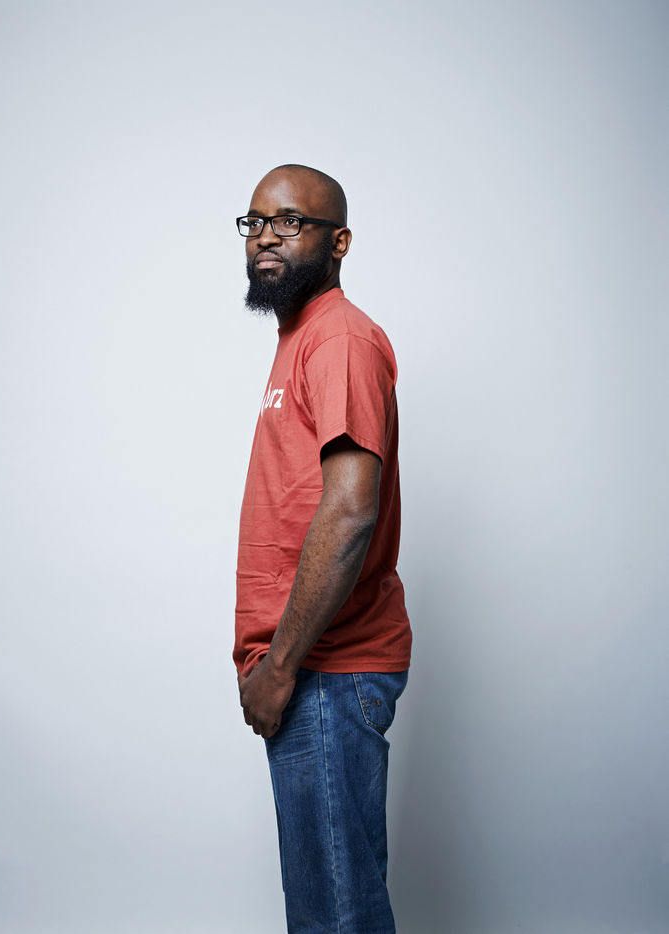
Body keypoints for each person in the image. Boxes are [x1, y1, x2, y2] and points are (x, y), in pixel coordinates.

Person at [234, 164, 412, 934]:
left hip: (325, 670)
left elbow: (347, 514)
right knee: (327, 912)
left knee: (336, 919)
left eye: (289, 221)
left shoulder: (338, 339)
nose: (266, 236)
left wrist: (279, 668)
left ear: (338, 242)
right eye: (254, 222)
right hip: (310, 667)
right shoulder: (301, 338)